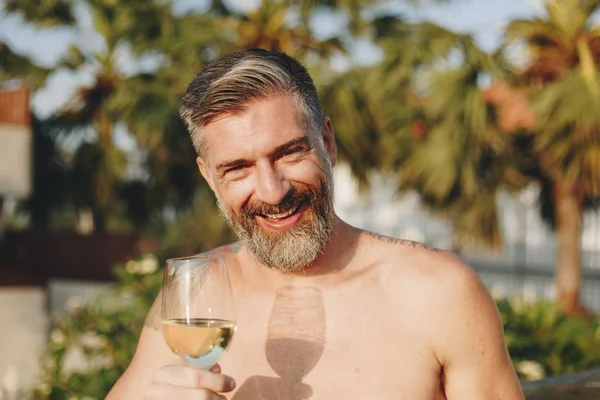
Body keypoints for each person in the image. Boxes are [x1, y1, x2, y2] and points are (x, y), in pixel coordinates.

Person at [107, 48, 524, 400]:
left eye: (288, 152)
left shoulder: (439, 292)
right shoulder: (193, 299)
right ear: (209, 178)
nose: (271, 191)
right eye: (237, 168)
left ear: (327, 142)